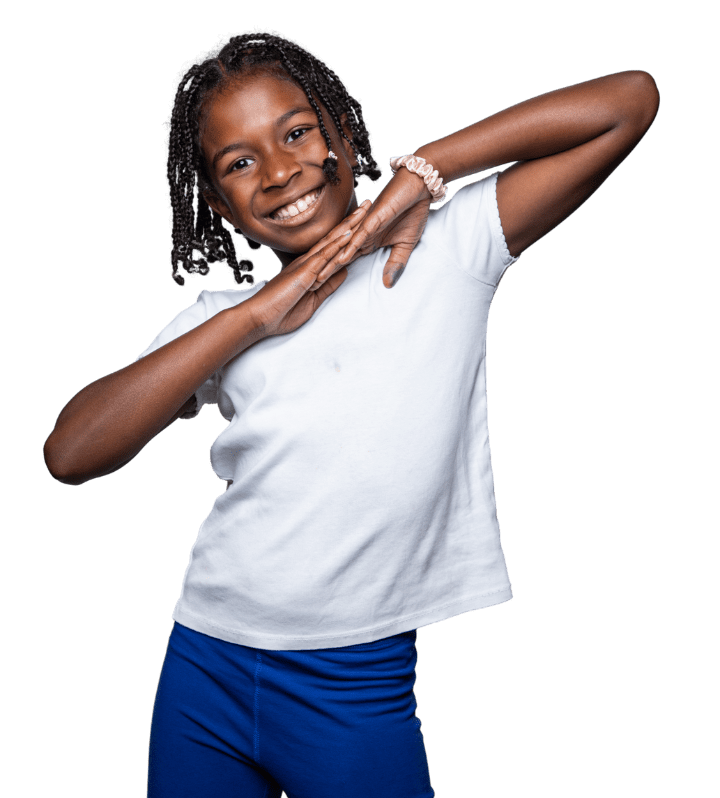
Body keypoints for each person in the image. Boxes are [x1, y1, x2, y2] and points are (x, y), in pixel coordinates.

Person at [43, 28, 660, 798]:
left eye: (298, 132)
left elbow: (628, 102)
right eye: (239, 163)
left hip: (353, 683)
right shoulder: (217, 320)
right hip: (205, 665)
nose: (277, 171)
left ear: (343, 133)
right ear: (216, 204)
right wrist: (255, 316)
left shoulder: (449, 248)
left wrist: (424, 177)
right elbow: (71, 452)